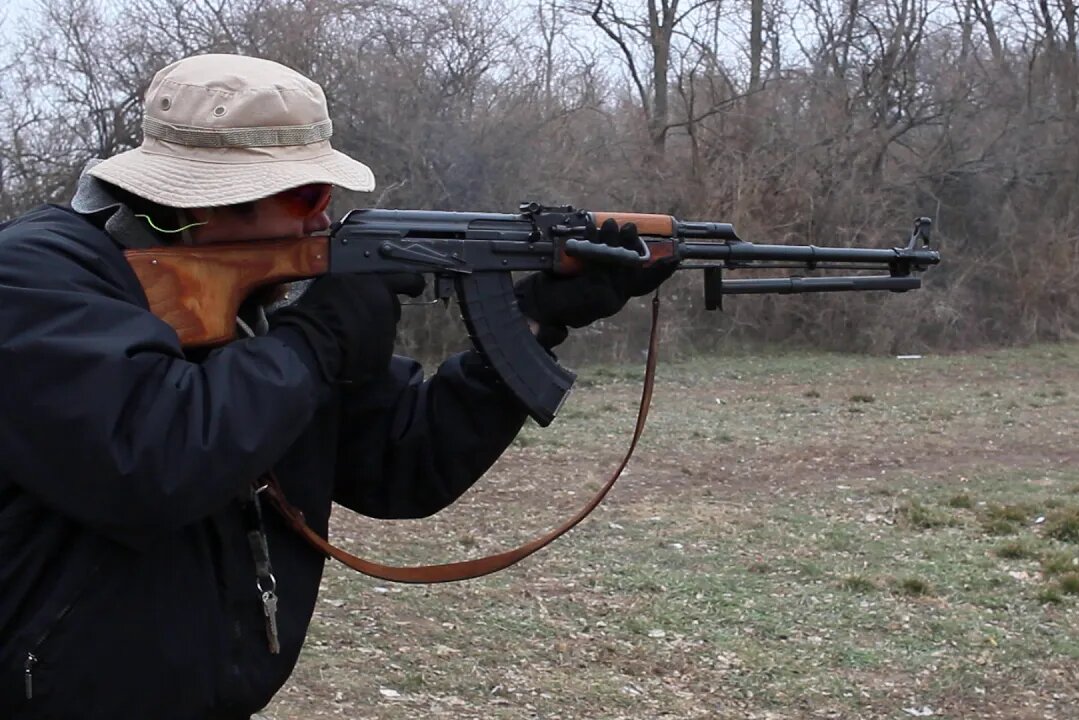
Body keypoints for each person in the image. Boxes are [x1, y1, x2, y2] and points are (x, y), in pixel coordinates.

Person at [0, 54, 672, 720]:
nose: (322, 221)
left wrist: (532, 318)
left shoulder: (258, 307)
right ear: (204, 191)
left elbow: (403, 463)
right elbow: (150, 459)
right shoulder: (34, 279)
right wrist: (315, 340)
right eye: (306, 195)